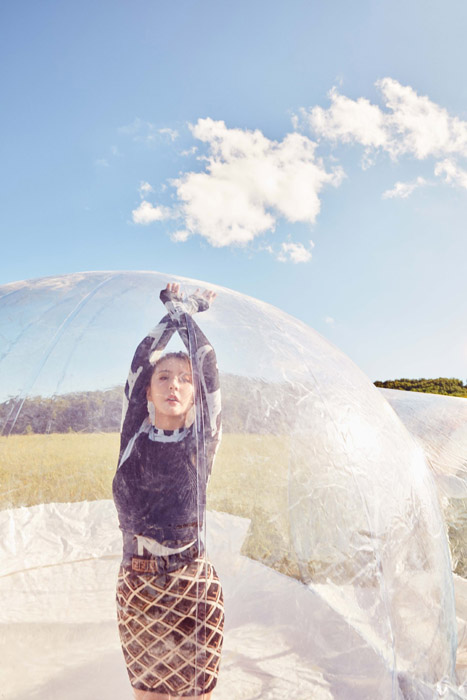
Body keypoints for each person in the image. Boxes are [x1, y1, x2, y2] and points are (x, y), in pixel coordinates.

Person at [112, 282, 224, 699]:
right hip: (137, 588)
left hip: (193, 585)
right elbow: (142, 359)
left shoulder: (203, 439)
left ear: (195, 394)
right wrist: (175, 310)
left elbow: (208, 366)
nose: (173, 385)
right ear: (148, 391)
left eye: (183, 379)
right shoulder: (133, 436)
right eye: (164, 378)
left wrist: (186, 310)